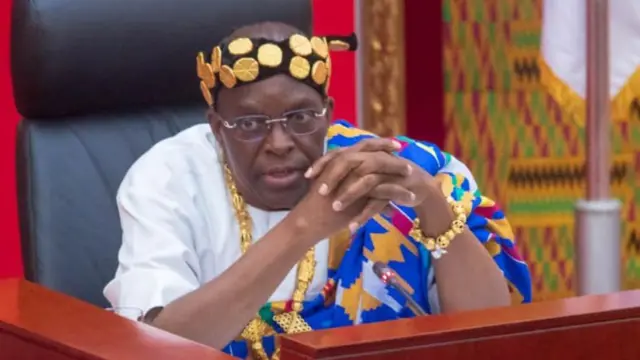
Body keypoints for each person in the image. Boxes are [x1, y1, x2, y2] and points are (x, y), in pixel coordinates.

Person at [104, 22, 532, 359]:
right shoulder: (169, 179)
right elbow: (155, 349)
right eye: (250, 125)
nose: (280, 143)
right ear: (218, 128)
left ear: (327, 116)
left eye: (301, 118)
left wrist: (431, 204)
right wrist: (305, 226)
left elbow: (490, 337)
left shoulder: (396, 171)